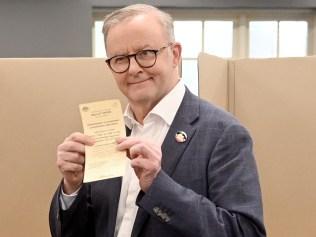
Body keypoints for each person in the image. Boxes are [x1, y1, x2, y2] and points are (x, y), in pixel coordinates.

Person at [49, 4, 266, 237]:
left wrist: (158, 186)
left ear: (175, 54)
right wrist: (72, 187)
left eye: (145, 54)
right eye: (120, 58)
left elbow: (246, 233)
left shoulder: (223, 133)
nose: (133, 69)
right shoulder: (108, 133)